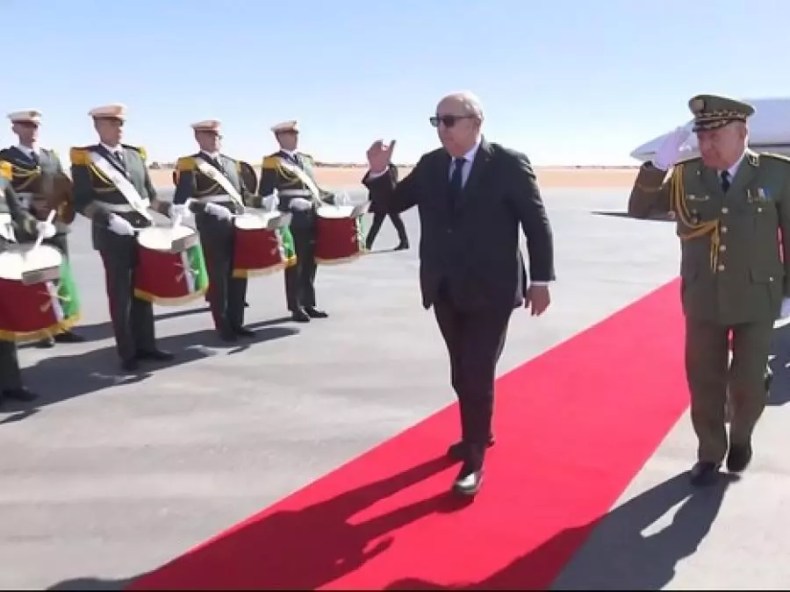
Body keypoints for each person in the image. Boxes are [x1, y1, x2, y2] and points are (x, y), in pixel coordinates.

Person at [363, 91, 555, 496]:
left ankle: (473, 462)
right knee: (460, 371)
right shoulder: (432, 165)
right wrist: (380, 173)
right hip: (445, 285)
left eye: (449, 121)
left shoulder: (508, 164)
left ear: (475, 122)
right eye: (437, 122)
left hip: (493, 287)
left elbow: (536, 224)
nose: (442, 130)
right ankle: (479, 431)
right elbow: (394, 202)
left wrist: (540, 281)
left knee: (476, 370)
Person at [627, 93, 790, 486]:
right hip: (703, 297)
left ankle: (743, 434)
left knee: (748, 382)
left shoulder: (777, 173)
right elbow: (639, 208)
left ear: (742, 133)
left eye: (715, 135)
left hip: (758, 296)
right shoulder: (685, 175)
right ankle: (709, 453)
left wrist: (788, 292)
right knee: (704, 380)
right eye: (702, 137)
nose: (706, 145)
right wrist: (657, 167)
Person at [71, 103, 174, 372]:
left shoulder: (135, 156)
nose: (119, 129)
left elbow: (149, 196)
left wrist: (168, 210)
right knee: (121, 295)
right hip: (113, 235)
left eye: (120, 124)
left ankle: (147, 346)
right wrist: (108, 219)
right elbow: (81, 201)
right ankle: (128, 353)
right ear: (98, 126)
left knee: (144, 291)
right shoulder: (86, 158)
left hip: (141, 231)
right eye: (112, 124)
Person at [0, 109, 84, 348]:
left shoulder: (50, 156)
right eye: (26, 126)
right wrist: (28, 208)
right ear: (15, 129)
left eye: (35, 126)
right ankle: (41, 329)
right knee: (35, 277)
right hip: (25, 223)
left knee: (58, 272)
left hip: (52, 222)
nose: (32, 130)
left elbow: (62, 186)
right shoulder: (5, 158)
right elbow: (6, 195)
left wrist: (63, 211)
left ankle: (62, 325)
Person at [171, 119, 255, 341]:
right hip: (212, 226)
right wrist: (207, 207)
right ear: (198, 138)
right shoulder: (191, 164)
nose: (215, 139)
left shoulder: (232, 164)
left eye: (218, 136)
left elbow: (244, 195)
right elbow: (182, 200)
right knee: (218, 277)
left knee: (239, 275)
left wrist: (265, 201)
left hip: (237, 224)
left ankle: (238, 322)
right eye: (209, 135)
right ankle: (223, 324)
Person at [257, 120, 335, 323]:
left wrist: (333, 198)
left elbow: (314, 190)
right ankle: (296, 306)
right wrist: (289, 202)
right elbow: (266, 195)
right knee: (295, 264)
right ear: (279, 138)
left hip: (312, 216)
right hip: (292, 220)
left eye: (296, 134)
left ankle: (309, 303)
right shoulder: (272, 162)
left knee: (311, 263)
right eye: (290, 134)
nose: (295, 137)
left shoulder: (306, 160)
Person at [0, 162, 57, 404]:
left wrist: (35, 225)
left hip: (5, 253)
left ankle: (11, 383)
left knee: (5, 322)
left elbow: (16, 212)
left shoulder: (1, 176)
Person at [365, 163, 409, 251]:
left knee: (391, 222)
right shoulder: (384, 168)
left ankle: (367, 245)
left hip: (387, 200)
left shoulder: (385, 168)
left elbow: (390, 183)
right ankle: (367, 245)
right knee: (392, 222)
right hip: (386, 200)